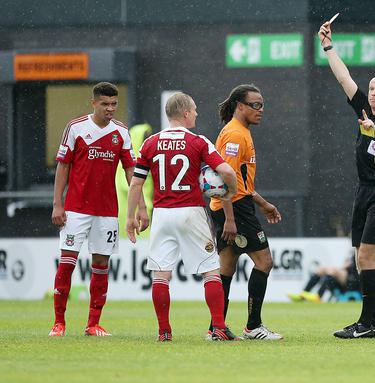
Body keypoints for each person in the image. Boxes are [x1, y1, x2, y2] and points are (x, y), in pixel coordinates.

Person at [126, 92, 238, 342]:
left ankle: (164, 331)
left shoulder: (150, 143)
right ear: (186, 113)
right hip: (191, 211)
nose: (197, 114)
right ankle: (218, 328)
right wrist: (231, 189)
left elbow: (136, 184)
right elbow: (227, 171)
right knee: (210, 271)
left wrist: (130, 218)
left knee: (160, 275)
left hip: (162, 214)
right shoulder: (198, 142)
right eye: (195, 110)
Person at [318, 20, 375, 339]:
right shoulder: (364, 108)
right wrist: (328, 46)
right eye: (373, 88)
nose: (374, 93)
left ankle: (371, 323)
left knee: (367, 256)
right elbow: (343, 77)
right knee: (359, 256)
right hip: (363, 190)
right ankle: (368, 321)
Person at [49, 82, 149, 337]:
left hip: (106, 211)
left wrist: (141, 206)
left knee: (101, 263)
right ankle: (59, 323)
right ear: (93, 103)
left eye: (114, 104)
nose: (110, 108)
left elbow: (131, 170)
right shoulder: (76, 128)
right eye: (105, 104)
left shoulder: (121, 132)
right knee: (68, 263)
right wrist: (58, 204)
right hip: (76, 209)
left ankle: (93, 323)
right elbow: (63, 166)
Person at [208, 84, 283, 340]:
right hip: (234, 208)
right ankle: (253, 326)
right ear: (240, 106)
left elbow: (239, 180)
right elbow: (223, 179)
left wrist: (262, 203)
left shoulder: (240, 131)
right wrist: (230, 218)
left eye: (262, 105)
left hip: (232, 205)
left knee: (226, 267)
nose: (261, 110)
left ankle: (216, 328)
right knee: (264, 262)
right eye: (255, 105)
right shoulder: (235, 135)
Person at [116, 123, 154, 238]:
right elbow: (129, 186)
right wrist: (143, 205)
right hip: (130, 214)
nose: (148, 141)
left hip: (146, 212)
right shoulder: (125, 165)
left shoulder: (147, 161)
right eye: (145, 138)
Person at [287, 255, 361, 303]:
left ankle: (318, 296)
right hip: (349, 275)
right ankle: (303, 294)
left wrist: (347, 266)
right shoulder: (357, 246)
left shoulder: (365, 245)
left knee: (333, 271)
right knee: (322, 269)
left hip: (357, 279)